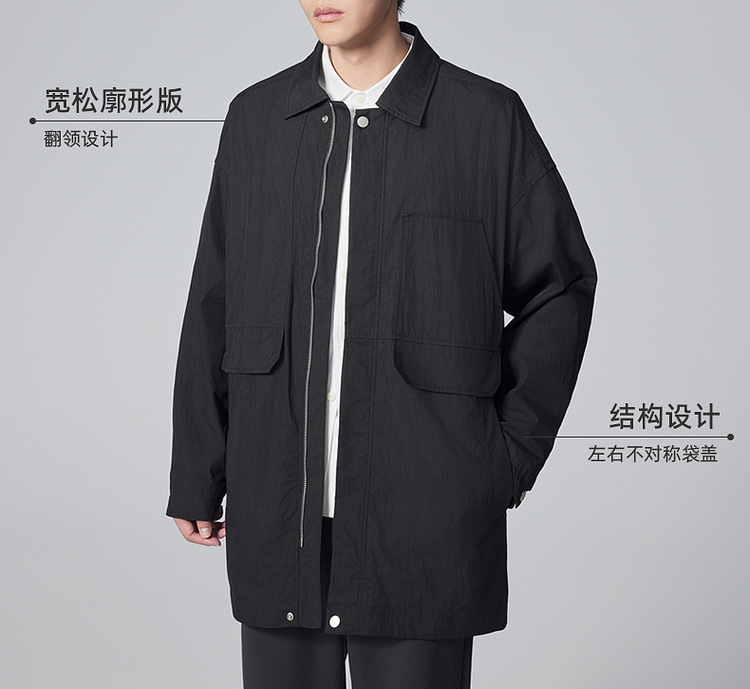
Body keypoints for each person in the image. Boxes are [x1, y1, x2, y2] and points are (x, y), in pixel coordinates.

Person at [167, 1, 597, 687]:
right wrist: (198, 468)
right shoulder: (258, 119)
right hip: (280, 515)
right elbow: (214, 302)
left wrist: (504, 457)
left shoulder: (484, 120)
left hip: (424, 524)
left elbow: (561, 286)